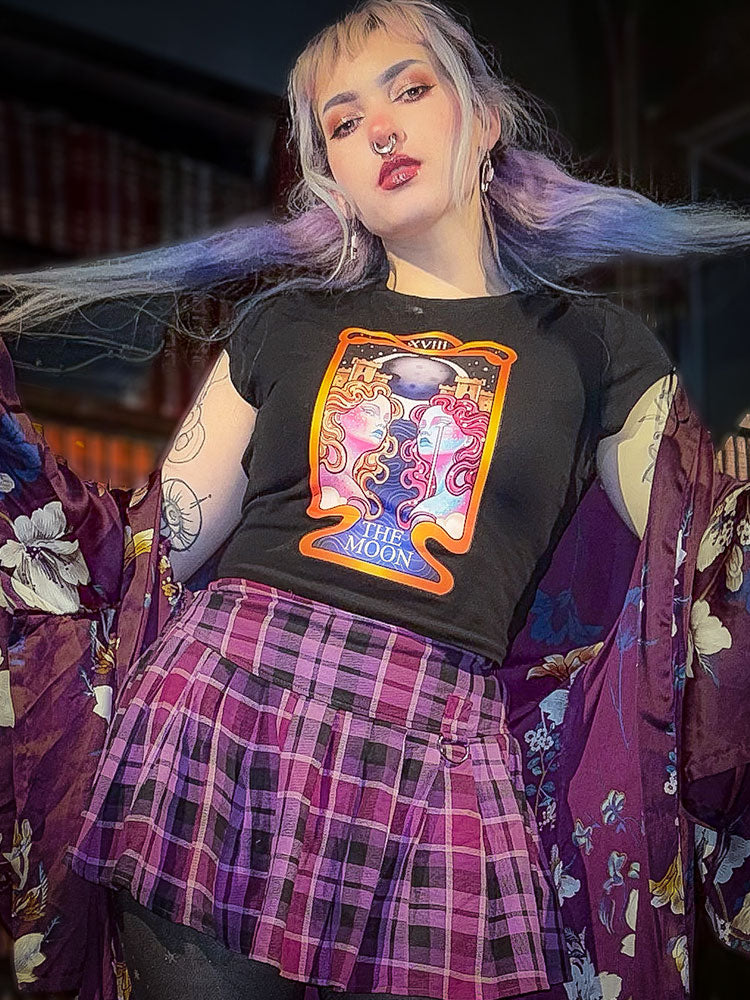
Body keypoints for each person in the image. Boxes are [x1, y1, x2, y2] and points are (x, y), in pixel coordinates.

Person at [0, 2, 750, 999]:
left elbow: (703, 550)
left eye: (410, 90)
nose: (382, 131)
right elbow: (157, 541)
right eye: (345, 123)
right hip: (230, 712)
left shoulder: (599, 348)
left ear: (485, 119)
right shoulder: (283, 325)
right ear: (333, 178)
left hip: (440, 748)